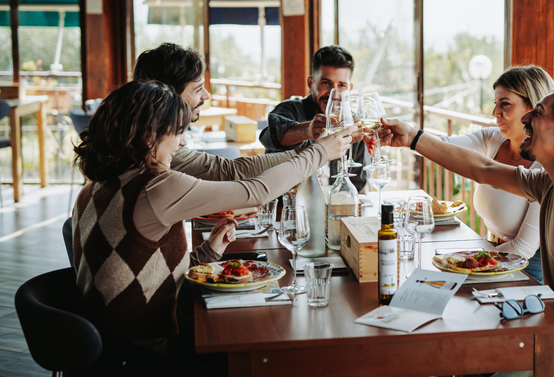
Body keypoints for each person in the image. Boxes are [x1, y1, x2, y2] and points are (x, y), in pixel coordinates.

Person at [72, 80, 351, 373]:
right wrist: (318, 152)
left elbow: (133, 268)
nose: (181, 143)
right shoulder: (156, 187)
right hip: (141, 354)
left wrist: (205, 254)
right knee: (269, 343)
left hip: (105, 346)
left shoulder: (94, 188)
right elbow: (256, 192)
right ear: (147, 136)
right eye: (177, 133)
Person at [381, 85, 554, 377]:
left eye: (538, 113)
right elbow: (482, 168)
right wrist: (412, 138)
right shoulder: (552, 183)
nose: (526, 119)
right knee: (469, 357)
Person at [439, 65, 554, 283]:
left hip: (529, 266)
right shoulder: (494, 140)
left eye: (505, 104)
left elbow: (524, 248)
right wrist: (404, 135)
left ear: (533, 108)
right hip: (491, 250)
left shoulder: (546, 166)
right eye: (496, 103)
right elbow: (443, 146)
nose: (495, 113)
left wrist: (467, 263)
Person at [133, 42, 297, 181]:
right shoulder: (158, 147)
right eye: (197, 89)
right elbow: (229, 171)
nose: (207, 94)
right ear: (169, 95)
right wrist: (308, 153)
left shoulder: (138, 131)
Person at [259, 45, 368, 191]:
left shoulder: (353, 124)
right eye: (325, 83)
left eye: (341, 85)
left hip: (335, 207)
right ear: (310, 83)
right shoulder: (289, 109)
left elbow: (357, 183)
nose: (333, 93)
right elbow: (269, 137)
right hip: (288, 206)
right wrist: (308, 130)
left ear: (349, 89)